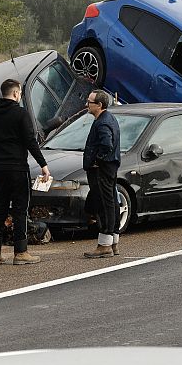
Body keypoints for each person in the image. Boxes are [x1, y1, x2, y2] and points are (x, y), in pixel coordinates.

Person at [0, 79, 51, 266]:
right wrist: (43, 164)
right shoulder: (21, 114)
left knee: (0, 210)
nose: (20, 95)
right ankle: (20, 252)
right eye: (20, 92)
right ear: (15, 93)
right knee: (20, 210)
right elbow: (30, 141)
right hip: (17, 168)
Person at [82, 89, 121, 259]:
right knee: (111, 201)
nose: (86, 104)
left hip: (102, 168)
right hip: (108, 167)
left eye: (89, 102)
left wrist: (98, 160)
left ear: (99, 105)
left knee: (105, 205)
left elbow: (107, 144)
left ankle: (105, 245)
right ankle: (113, 242)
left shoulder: (103, 123)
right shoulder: (107, 118)